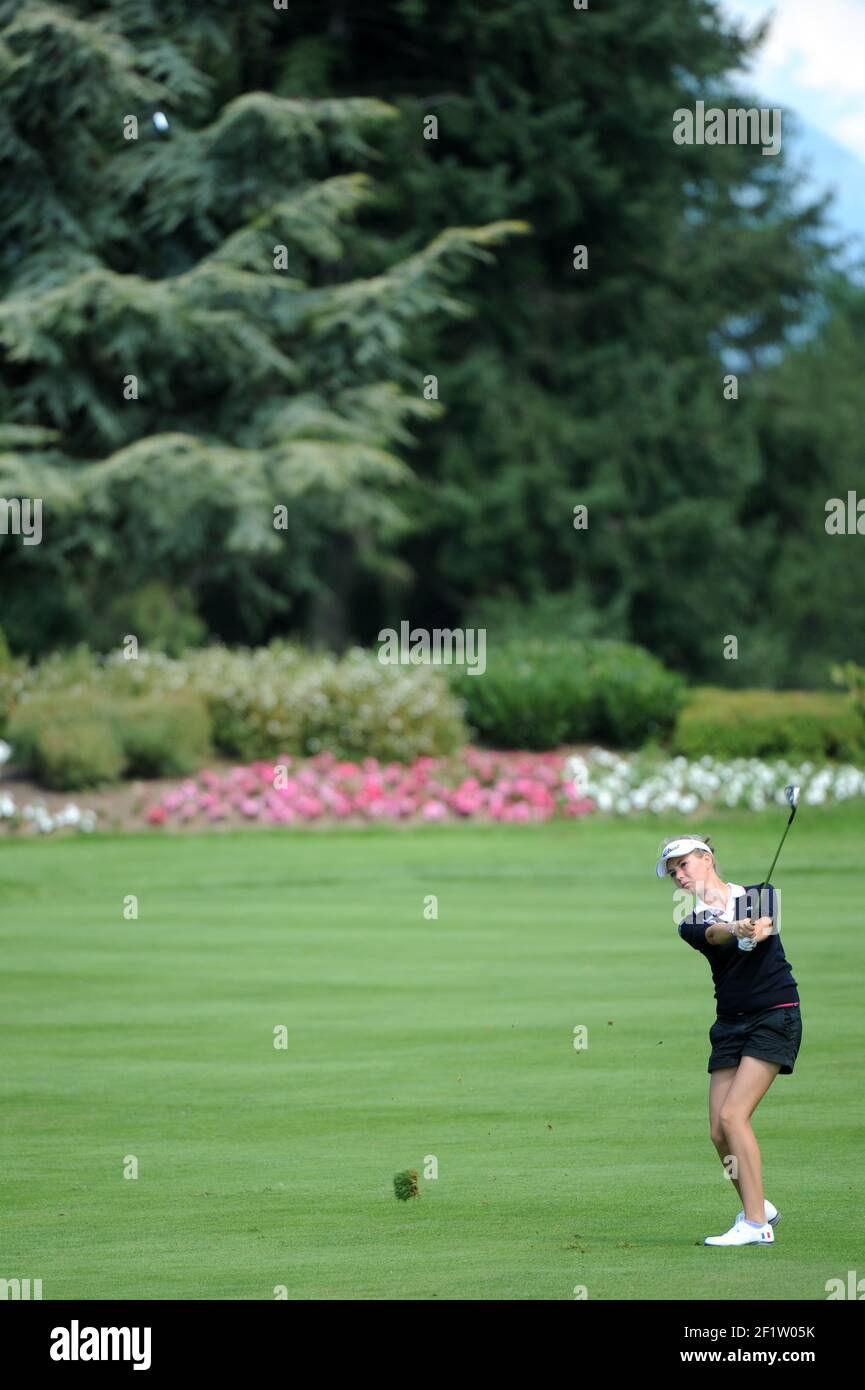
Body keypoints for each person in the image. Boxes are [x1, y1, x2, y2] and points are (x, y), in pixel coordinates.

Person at [657, 834, 802, 1246]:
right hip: (730, 1024)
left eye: (684, 865)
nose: (679, 877)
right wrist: (736, 928)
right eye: (672, 873)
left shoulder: (760, 895)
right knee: (718, 1133)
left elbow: (765, 925)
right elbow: (716, 935)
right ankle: (760, 1204)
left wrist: (752, 928)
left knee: (733, 1116)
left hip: (775, 1014)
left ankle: (756, 1225)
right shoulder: (689, 919)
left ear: (706, 858)